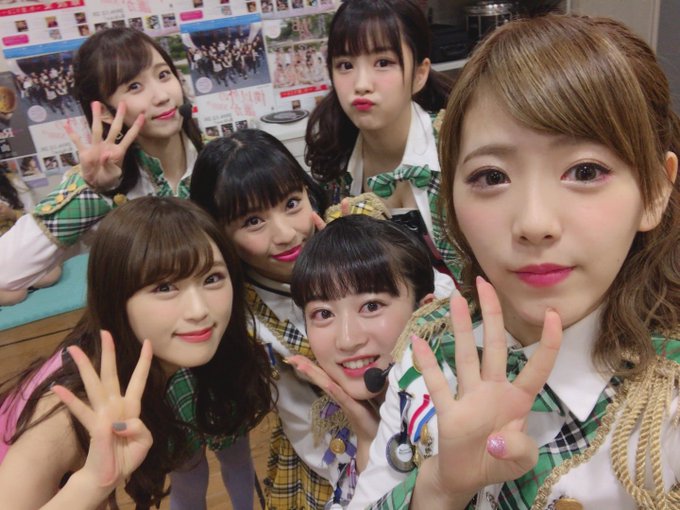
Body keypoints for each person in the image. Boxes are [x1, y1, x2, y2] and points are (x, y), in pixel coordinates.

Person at [351, 13, 680, 509]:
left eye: (585, 171)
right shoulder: (429, 353)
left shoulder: (666, 405)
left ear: (654, 191)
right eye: (491, 177)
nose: (533, 222)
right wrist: (439, 489)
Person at [0, 196, 274, 509]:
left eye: (212, 279)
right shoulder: (66, 411)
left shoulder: (157, 359)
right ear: (115, 296)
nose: (199, 310)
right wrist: (92, 484)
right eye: (164, 287)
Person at [192, 128, 345, 509]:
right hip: (323, 464)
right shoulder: (234, 313)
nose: (286, 234)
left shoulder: (356, 238)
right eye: (252, 222)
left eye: (292, 203)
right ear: (219, 233)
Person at [0, 27, 202, 297]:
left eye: (163, 75)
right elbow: (5, 274)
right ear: (105, 111)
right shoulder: (98, 185)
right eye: (134, 86)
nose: (162, 96)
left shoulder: (220, 158)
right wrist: (92, 190)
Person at [304, 0, 461, 282]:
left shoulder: (457, 148)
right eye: (345, 65)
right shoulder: (334, 165)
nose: (361, 84)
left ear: (420, 74)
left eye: (383, 63)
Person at [286, 214, 435, 505]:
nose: (347, 339)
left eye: (371, 306)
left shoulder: (443, 417)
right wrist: (368, 440)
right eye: (323, 314)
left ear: (425, 311)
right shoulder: (339, 418)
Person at [0, 165, 61, 305]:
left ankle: (23, 279)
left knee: (50, 276)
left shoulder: (13, 182)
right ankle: (20, 282)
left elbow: (37, 220)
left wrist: (12, 214)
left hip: (21, 245)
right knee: (16, 295)